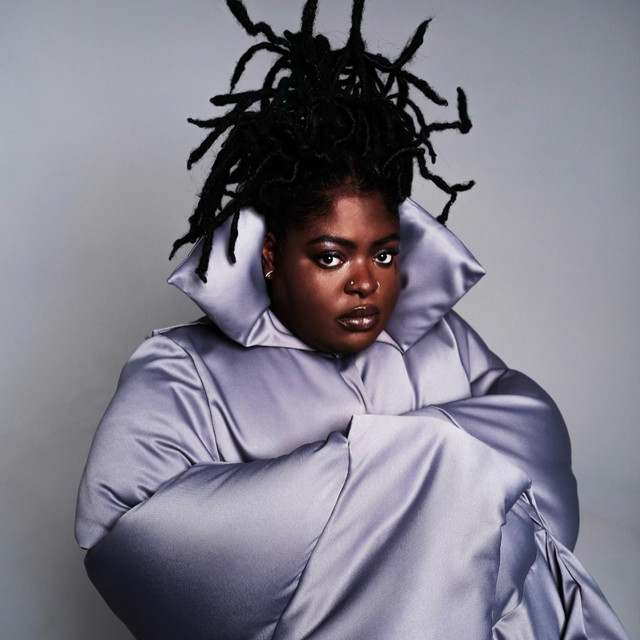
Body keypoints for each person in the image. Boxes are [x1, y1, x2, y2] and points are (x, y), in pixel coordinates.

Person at [75, 1, 629, 638]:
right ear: (271, 256)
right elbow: (131, 542)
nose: (366, 281)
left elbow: (542, 468)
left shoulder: (441, 342)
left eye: (385, 254)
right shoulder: (182, 371)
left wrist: (409, 473)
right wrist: (399, 465)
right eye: (331, 256)